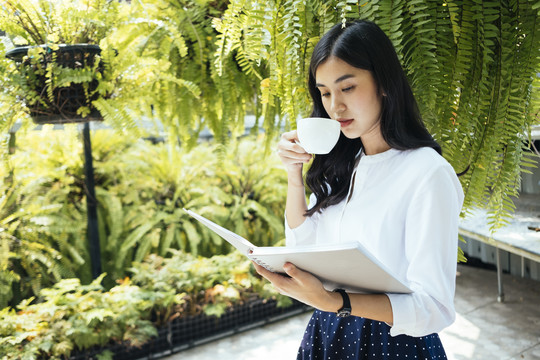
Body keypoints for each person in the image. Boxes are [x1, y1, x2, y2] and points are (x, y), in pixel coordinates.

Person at [252, 19, 464, 359]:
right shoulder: (341, 165)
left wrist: (337, 302)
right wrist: (294, 175)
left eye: (347, 88)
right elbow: (304, 248)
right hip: (327, 331)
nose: (335, 107)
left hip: (393, 344)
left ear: (382, 82)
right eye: (324, 92)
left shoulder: (426, 172)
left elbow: (435, 308)